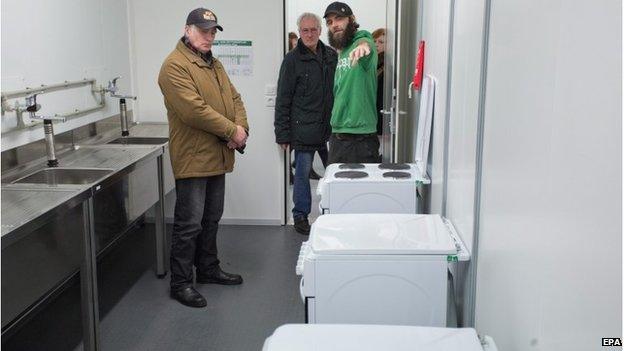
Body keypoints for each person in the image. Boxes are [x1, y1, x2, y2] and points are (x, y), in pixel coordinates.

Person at [158, 8, 249, 308]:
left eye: (212, 31)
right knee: (189, 224)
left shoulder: (214, 64)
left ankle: (208, 269)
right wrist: (231, 132)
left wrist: (242, 128)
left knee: (211, 218)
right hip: (194, 159)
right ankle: (181, 282)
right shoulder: (174, 66)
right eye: (203, 30)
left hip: (217, 155)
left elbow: (234, 98)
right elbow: (194, 110)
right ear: (187, 30)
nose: (209, 36)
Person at [275, 13, 337, 235]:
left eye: (313, 29)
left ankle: (335, 211)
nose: (309, 34)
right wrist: (282, 134)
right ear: (299, 32)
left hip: (329, 127)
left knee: (335, 173)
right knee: (302, 174)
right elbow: (283, 98)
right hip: (302, 129)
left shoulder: (331, 55)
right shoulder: (292, 60)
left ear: (320, 30)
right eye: (305, 30)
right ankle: (300, 215)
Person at [324, 2, 380, 164]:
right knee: (335, 189)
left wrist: (363, 47)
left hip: (359, 140)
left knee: (360, 190)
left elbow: (365, 43)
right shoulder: (343, 50)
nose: (334, 25)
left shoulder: (360, 41)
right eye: (330, 22)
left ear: (352, 19)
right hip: (338, 136)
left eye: (339, 19)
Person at [372, 28, 386, 136]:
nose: (376, 45)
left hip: (380, 119)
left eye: (381, 42)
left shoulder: (387, 67)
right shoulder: (370, 63)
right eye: (374, 41)